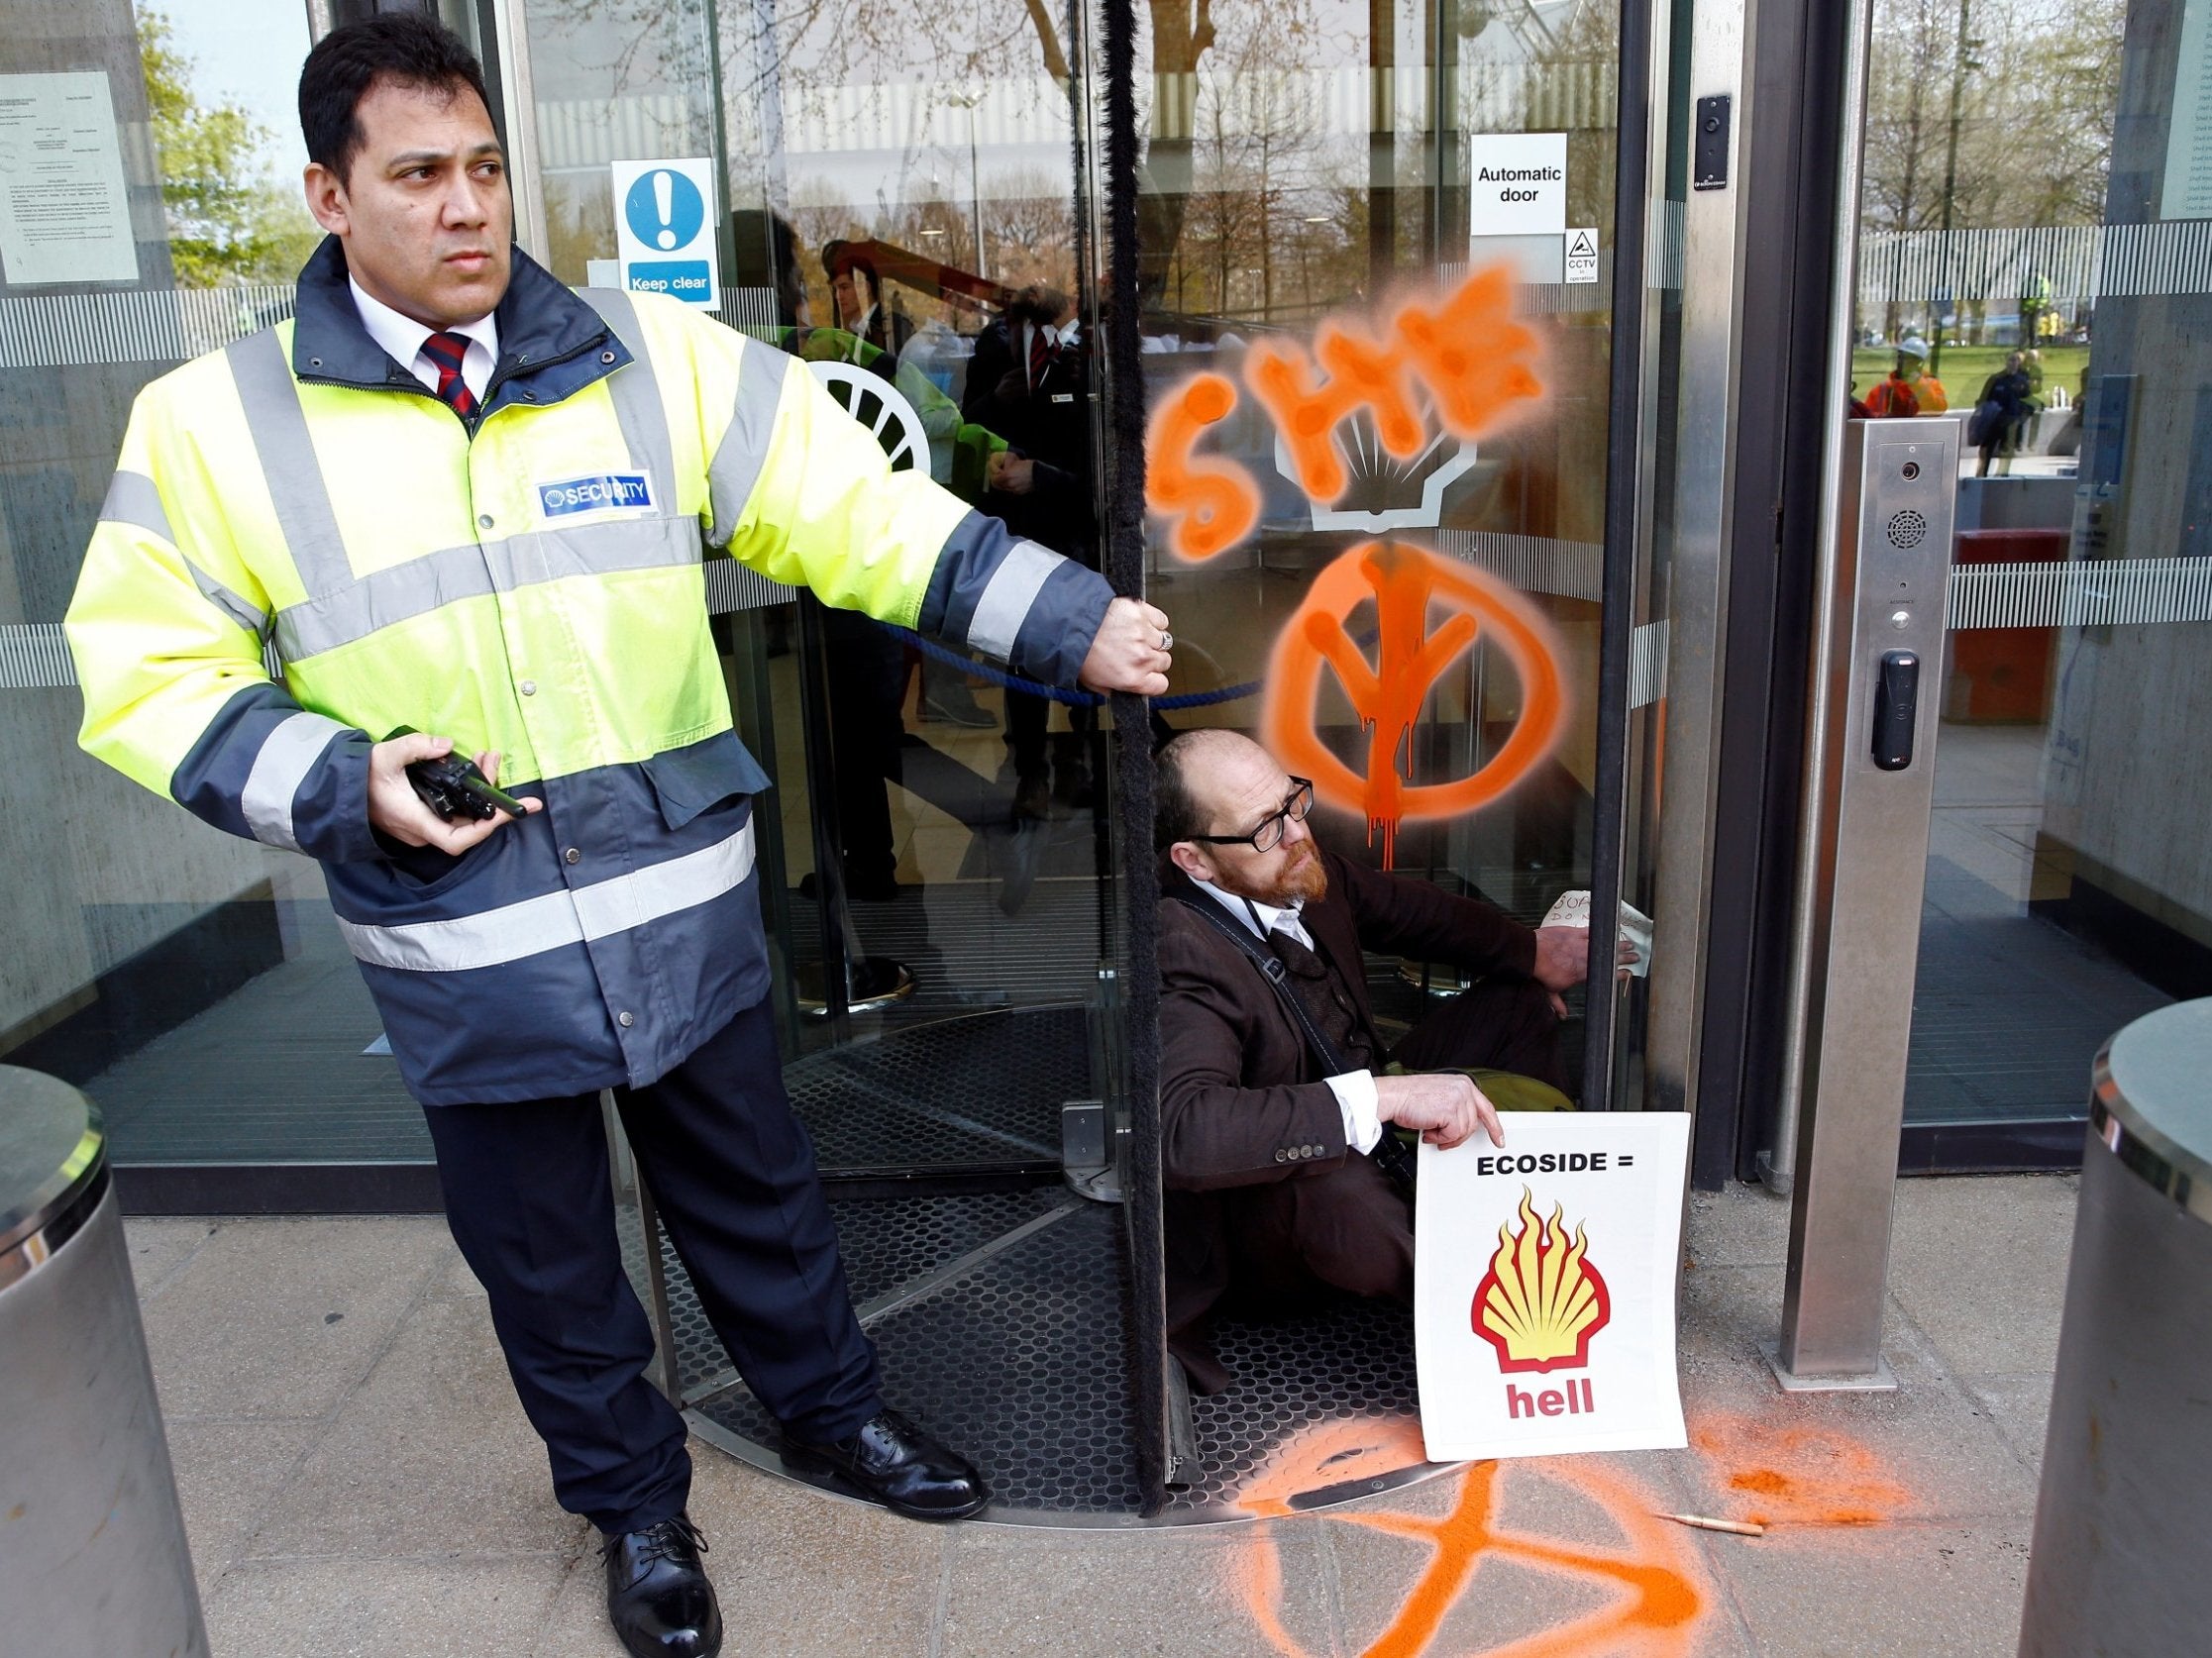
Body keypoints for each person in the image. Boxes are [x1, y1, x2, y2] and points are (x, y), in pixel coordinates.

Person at [61, 18, 1174, 1658]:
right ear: (326, 192)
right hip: (462, 945)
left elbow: (850, 504)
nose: (467, 207)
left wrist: (1066, 619)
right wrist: (333, 773)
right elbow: (147, 668)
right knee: (550, 1261)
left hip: (675, 903)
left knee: (758, 1193)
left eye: (487, 167)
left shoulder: (649, 359)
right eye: (418, 173)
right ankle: (638, 1511)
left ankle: (831, 1415)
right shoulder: (213, 424)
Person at [1153, 731, 1593, 1393]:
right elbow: (1186, 1132)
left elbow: (1413, 912)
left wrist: (1530, 953)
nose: (1296, 832)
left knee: (1516, 1003)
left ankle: (1527, 1205)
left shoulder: (1285, 862)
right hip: (1271, 1218)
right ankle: (1501, 1327)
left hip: (1370, 1122)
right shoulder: (1179, 947)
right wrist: (1383, 1101)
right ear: (1196, 861)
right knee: (1339, 1192)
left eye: (1293, 803)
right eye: (1265, 827)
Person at [1970, 351, 2035, 476]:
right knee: (1987, 448)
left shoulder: (2021, 381)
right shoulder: (1996, 379)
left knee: (2006, 449)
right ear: (2006, 362)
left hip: (2011, 421)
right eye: (2011, 360)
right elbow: (1983, 399)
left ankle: (2003, 474)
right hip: (1993, 420)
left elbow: (2028, 398)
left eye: (2016, 360)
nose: (2013, 363)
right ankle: (1981, 474)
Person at [1864, 335, 1949, 417]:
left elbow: (1939, 410)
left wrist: (1918, 383)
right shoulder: (1883, 388)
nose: (1903, 362)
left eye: (1910, 359)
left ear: (1920, 363)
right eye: (1901, 357)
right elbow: (1868, 417)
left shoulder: (1932, 384)